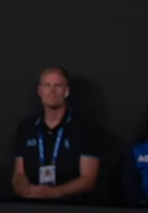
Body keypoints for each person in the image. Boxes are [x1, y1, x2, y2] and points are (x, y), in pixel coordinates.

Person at [12, 67, 100, 199]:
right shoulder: (26, 127)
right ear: (40, 91)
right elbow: (19, 173)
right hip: (32, 201)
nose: (52, 91)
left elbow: (88, 180)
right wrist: (22, 188)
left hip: (70, 204)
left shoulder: (85, 129)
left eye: (58, 85)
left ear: (66, 91)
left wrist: (54, 193)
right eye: (47, 85)